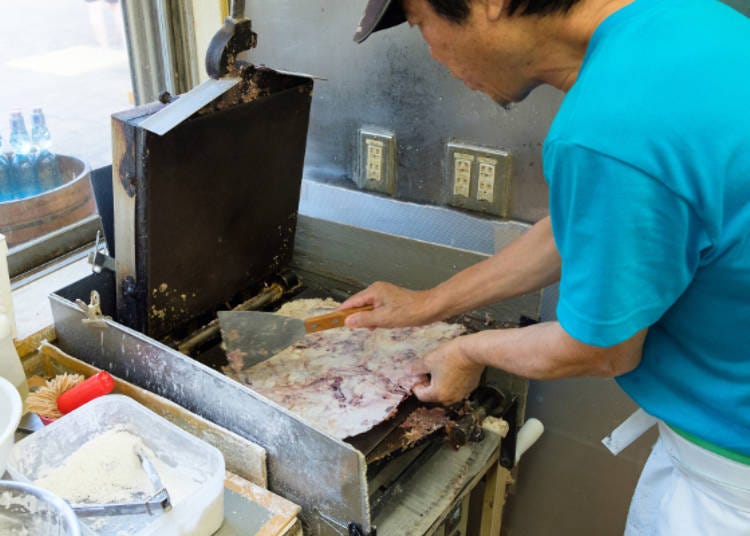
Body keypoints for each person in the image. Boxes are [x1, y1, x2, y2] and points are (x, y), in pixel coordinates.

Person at [344, 0, 750, 533]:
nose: (435, 55)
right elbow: (584, 226)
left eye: (423, 25)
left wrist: (467, 350)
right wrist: (428, 304)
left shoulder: (607, 128)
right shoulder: (686, 21)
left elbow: (601, 348)